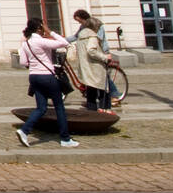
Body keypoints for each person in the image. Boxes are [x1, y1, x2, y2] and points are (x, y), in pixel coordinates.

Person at [17, 18, 79, 148]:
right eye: (43, 27)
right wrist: (50, 31)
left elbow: (23, 62)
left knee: (41, 108)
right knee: (59, 107)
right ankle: (65, 139)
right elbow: (63, 43)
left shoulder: (26, 43)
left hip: (33, 77)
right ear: (40, 28)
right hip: (47, 76)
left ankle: (24, 130)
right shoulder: (41, 41)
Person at [69, 9, 113, 111]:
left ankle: (92, 112)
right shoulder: (92, 36)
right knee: (103, 87)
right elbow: (92, 50)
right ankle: (104, 111)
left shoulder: (81, 35)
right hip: (96, 65)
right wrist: (105, 57)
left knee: (91, 90)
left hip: (86, 66)